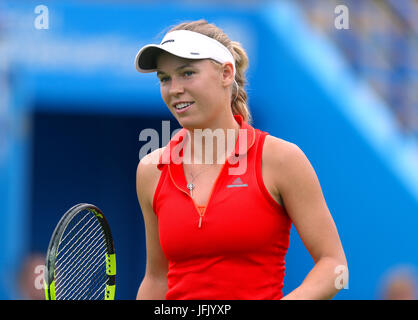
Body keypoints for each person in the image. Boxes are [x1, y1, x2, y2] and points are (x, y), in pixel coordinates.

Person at [134, 19, 347, 300]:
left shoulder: (282, 159)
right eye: (164, 78)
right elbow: (157, 278)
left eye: (187, 73)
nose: (174, 89)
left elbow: (334, 266)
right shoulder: (151, 170)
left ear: (225, 73)